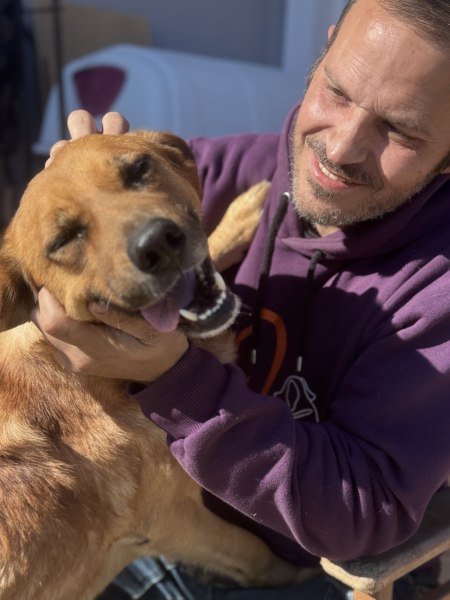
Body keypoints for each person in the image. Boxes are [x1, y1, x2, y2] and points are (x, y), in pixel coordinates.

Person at [35, 0, 450, 598]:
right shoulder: (220, 170)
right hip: (162, 510)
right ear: (326, 49)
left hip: (307, 569)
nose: (341, 149)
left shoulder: (435, 290)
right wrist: (72, 212)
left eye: (400, 129)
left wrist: (173, 380)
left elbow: (364, 512)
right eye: (337, 91)